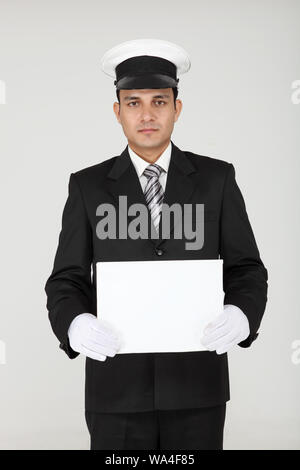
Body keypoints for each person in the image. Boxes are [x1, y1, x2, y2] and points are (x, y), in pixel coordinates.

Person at [44, 38, 268, 450]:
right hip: (116, 390)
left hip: (197, 387)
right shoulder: (87, 186)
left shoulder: (217, 179)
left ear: (176, 108)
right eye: (133, 102)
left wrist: (242, 313)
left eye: (159, 101)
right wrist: (74, 323)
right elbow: (65, 280)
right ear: (118, 111)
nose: (146, 115)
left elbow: (247, 269)